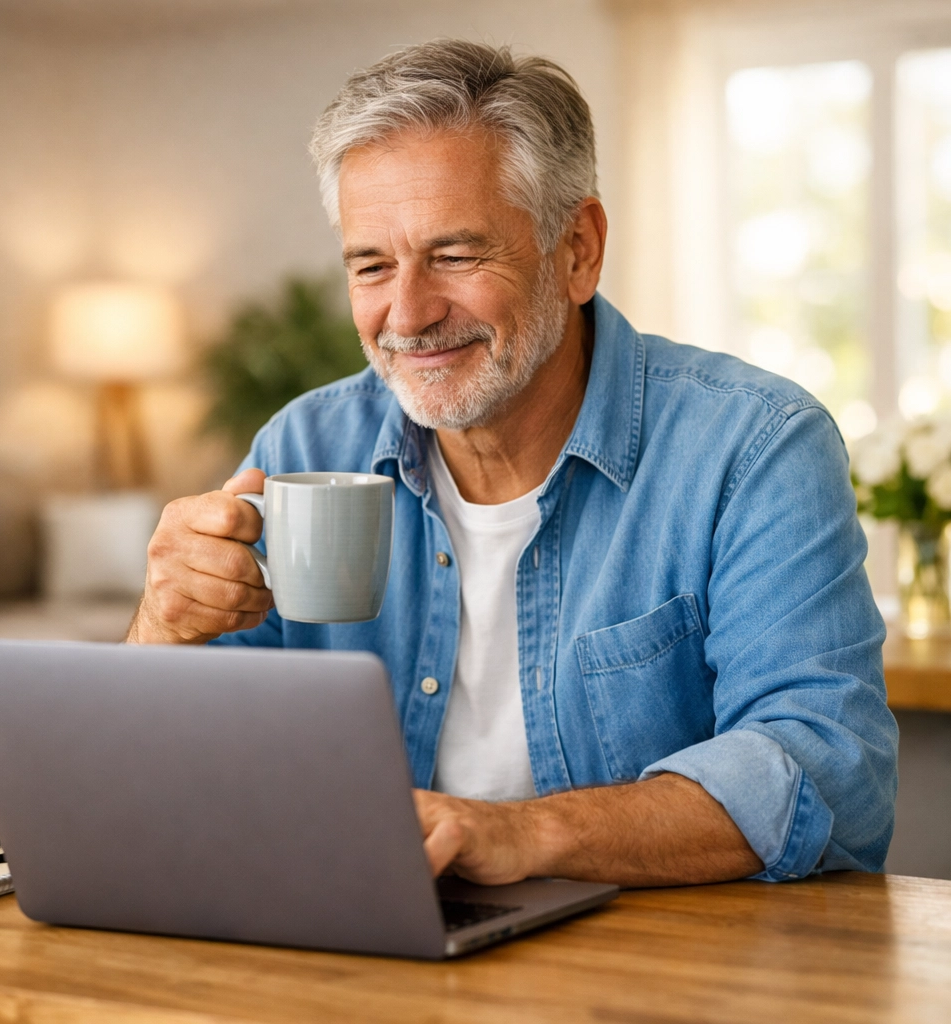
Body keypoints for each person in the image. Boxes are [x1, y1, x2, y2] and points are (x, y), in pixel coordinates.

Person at [127, 40, 897, 888]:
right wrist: (159, 634)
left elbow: (827, 769)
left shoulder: (754, 447)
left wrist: (521, 834)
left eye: (455, 255)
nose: (408, 314)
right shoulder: (304, 450)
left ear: (577, 250)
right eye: (371, 266)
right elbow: (173, 779)